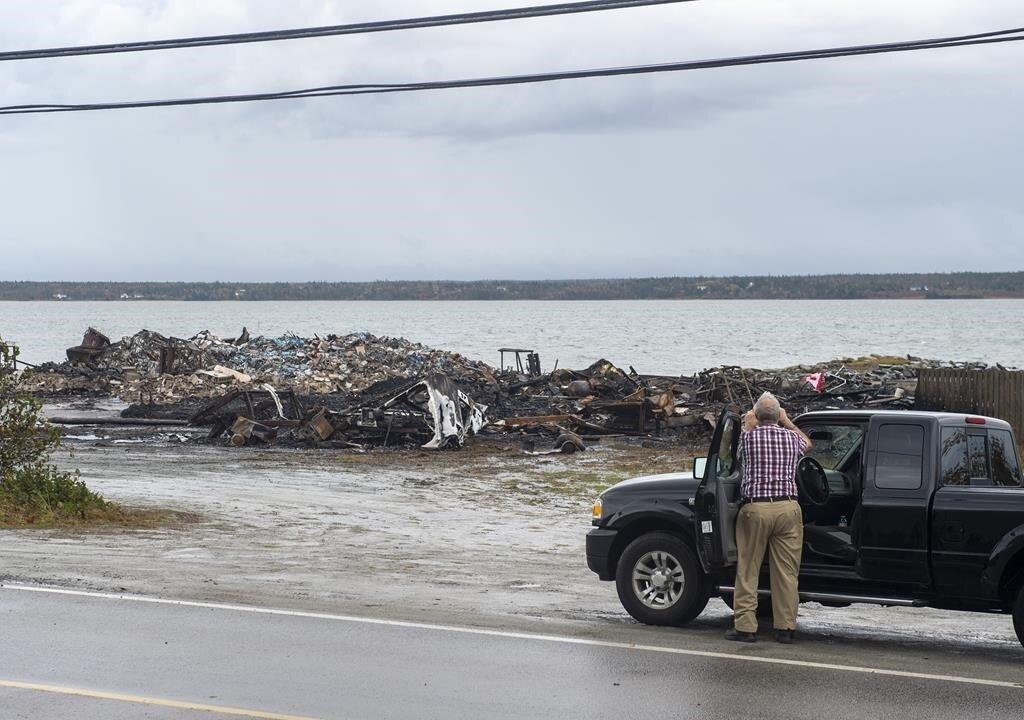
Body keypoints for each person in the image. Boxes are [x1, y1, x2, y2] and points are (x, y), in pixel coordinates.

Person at [725, 392, 811, 644]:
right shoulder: (791, 438)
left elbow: (734, 454)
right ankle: (785, 627)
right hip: (788, 508)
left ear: (757, 415)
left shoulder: (749, 438)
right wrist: (787, 421)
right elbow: (808, 444)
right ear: (778, 414)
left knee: (748, 570)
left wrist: (747, 422)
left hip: (756, 509)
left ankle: (745, 627)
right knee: (786, 572)